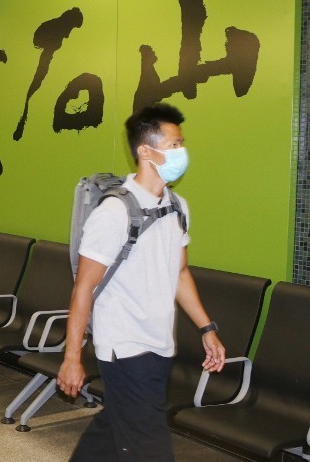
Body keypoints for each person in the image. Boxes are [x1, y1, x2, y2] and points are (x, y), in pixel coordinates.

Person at [57, 103, 226, 461]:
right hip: (124, 345)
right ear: (144, 151)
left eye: (182, 144)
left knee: (116, 426)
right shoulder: (114, 212)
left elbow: (179, 272)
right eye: (174, 144)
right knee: (149, 445)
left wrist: (206, 327)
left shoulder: (178, 206)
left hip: (160, 342)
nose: (181, 152)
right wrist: (72, 357)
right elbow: (83, 287)